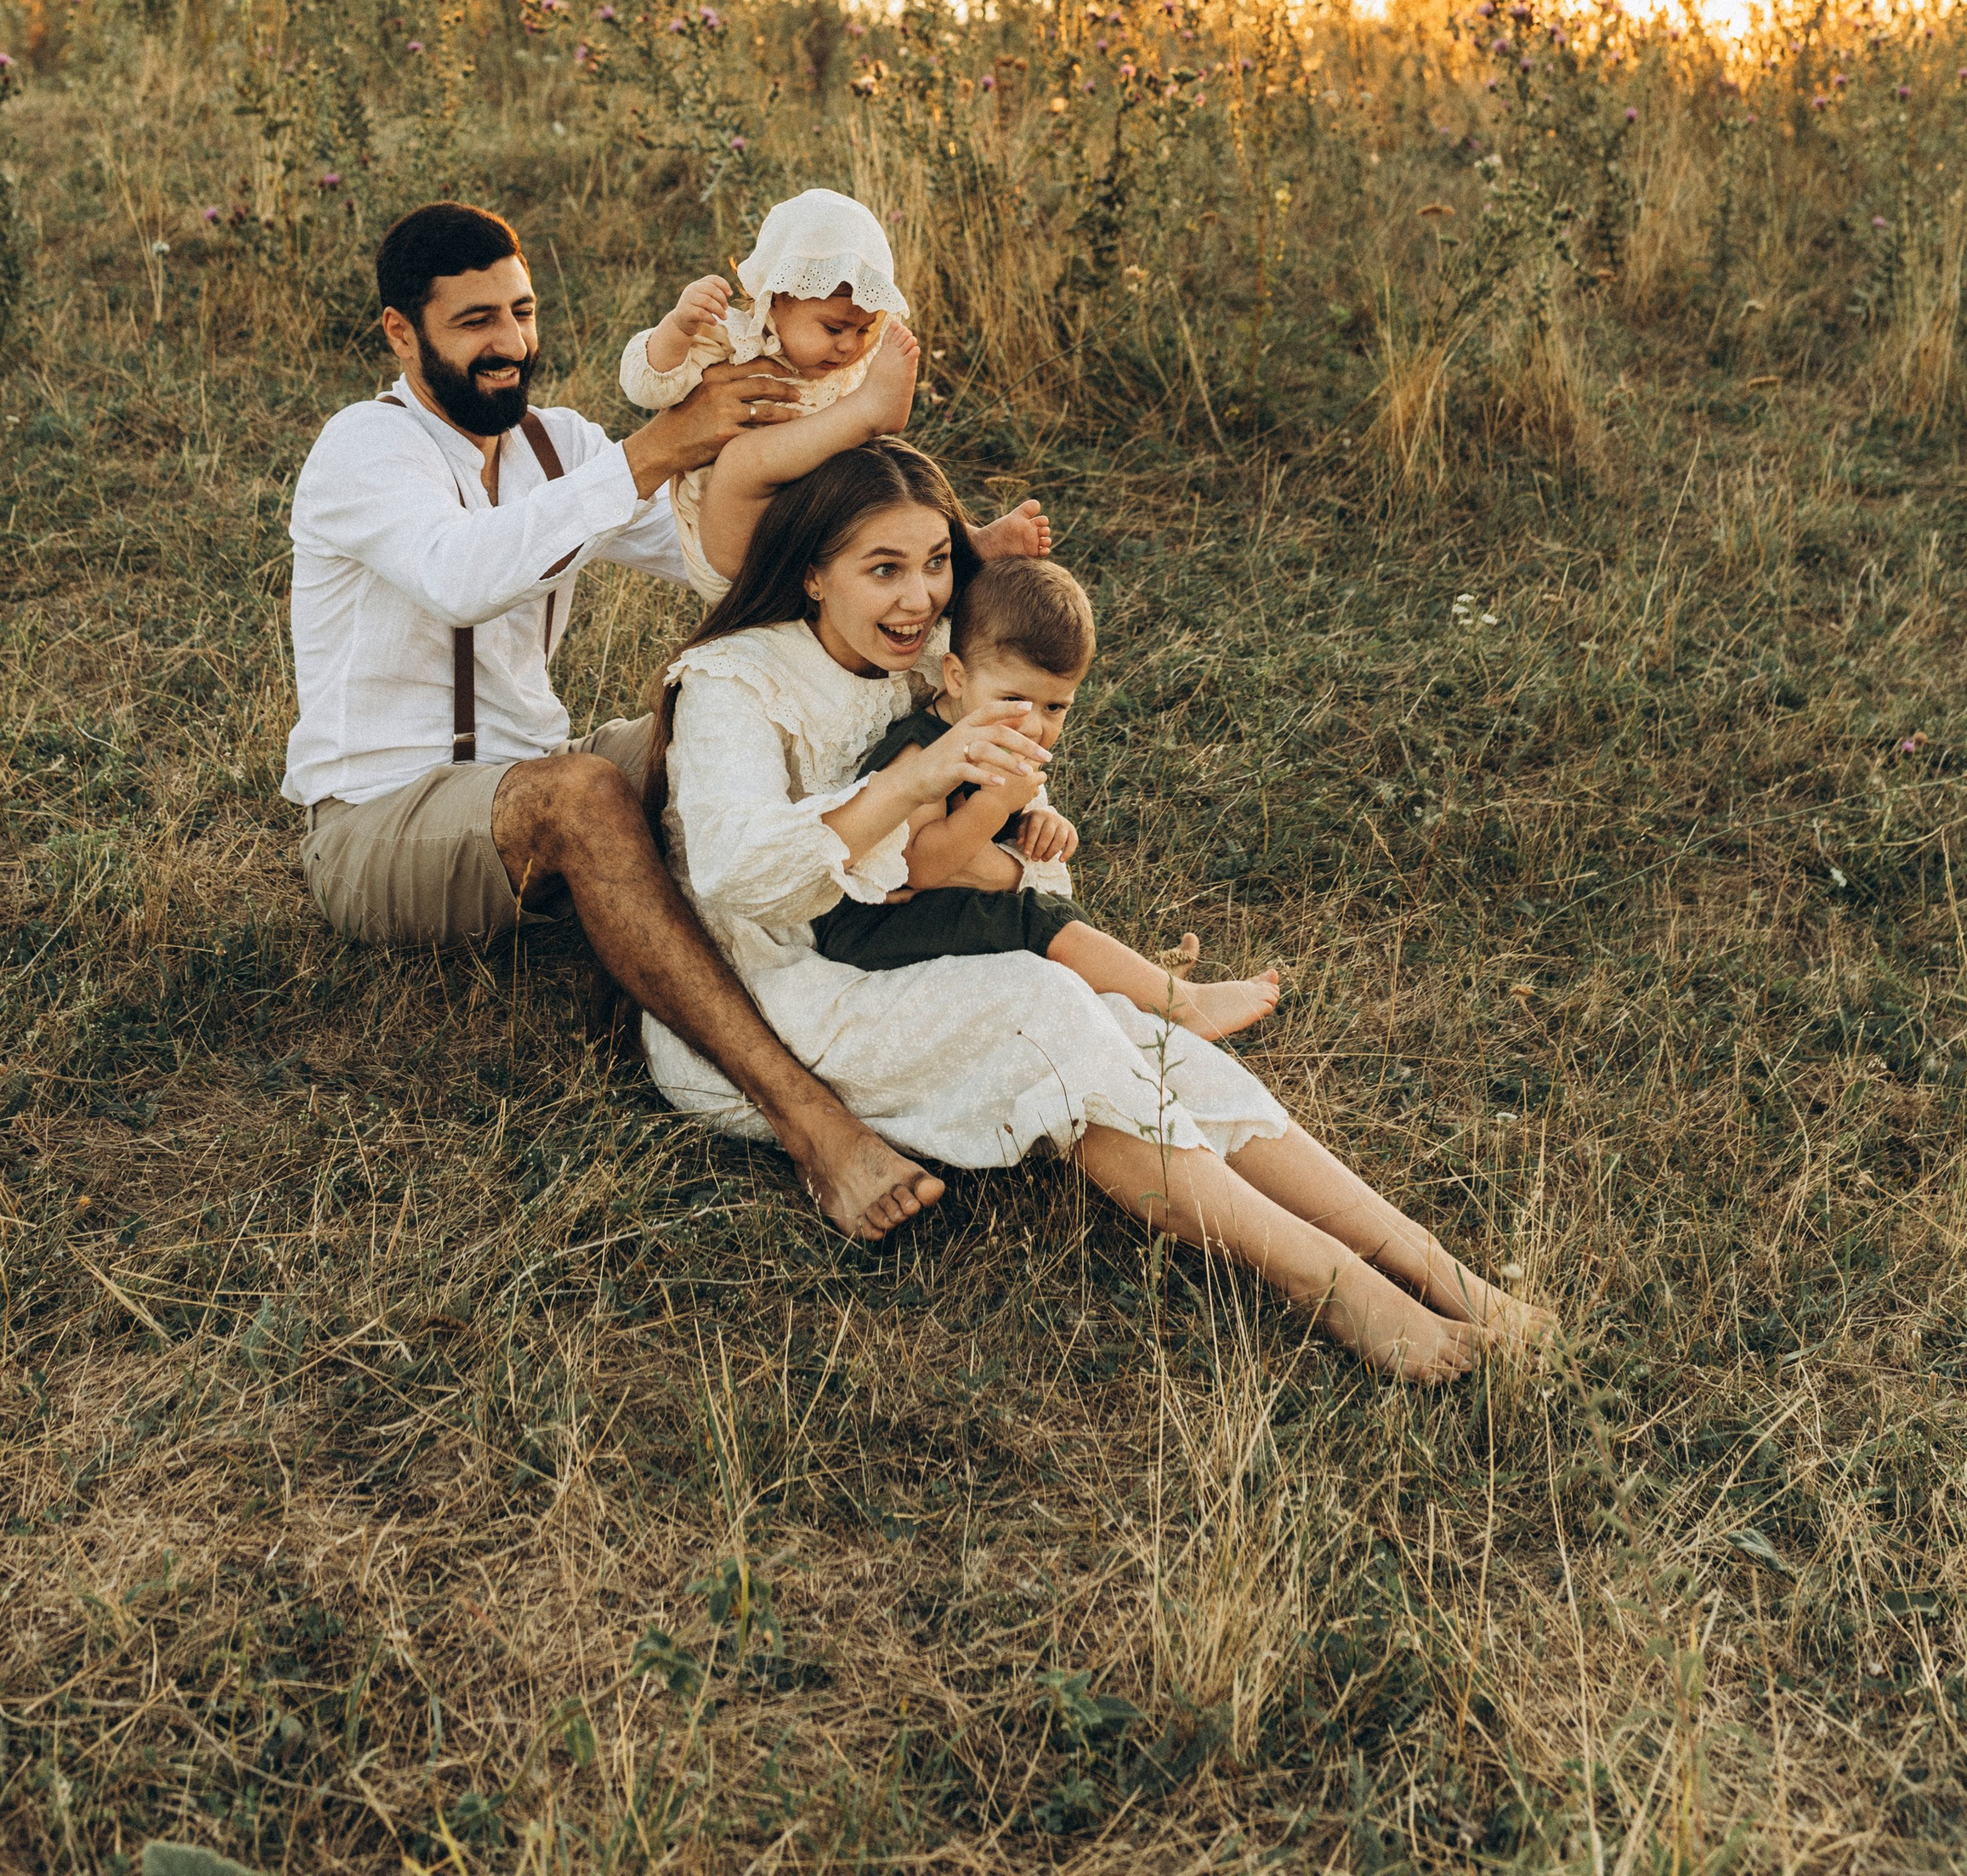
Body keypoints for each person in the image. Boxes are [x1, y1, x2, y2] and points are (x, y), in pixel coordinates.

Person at [643, 441, 1557, 1381]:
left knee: (1148, 1034)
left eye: (935, 563)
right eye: (883, 570)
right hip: (777, 986)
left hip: (908, 943)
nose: (919, 599)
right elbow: (734, 875)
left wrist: (1008, 856)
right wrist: (920, 787)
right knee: (1055, 1013)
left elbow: (975, 831)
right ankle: (1341, 1291)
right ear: (810, 574)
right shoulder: (735, 681)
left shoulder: (928, 663)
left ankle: (1437, 1270)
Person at [282, 200, 948, 1242]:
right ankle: (810, 1121)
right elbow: (459, 577)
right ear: (401, 335)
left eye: (522, 313)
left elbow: (719, 564)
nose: (509, 345)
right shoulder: (363, 450)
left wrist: (791, 455)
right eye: (474, 324)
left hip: (530, 773)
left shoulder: (562, 447)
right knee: (589, 791)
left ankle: (906, 994)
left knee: (707, 725)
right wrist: (651, 451)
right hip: (377, 819)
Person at [812, 553, 1284, 1046]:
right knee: (1037, 919)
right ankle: (1181, 1007)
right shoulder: (923, 750)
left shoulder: (995, 737)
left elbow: (1004, 819)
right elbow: (921, 866)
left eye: (1055, 706)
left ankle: (1144, 985)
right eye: (1016, 700)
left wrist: (1039, 817)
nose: (1035, 725)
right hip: (869, 927)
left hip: (934, 907)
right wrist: (997, 805)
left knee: (1051, 918)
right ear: (957, 677)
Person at [618, 184, 1050, 602]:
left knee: (889, 469)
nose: (849, 345)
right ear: (777, 299)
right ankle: (867, 420)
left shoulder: (848, 368)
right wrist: (677, 328)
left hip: (825, 537)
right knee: (762, 457)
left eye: (864, 329)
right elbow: (646, 387)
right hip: (738, 541)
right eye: (833, 327)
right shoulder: (730, 340)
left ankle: (964, 543)